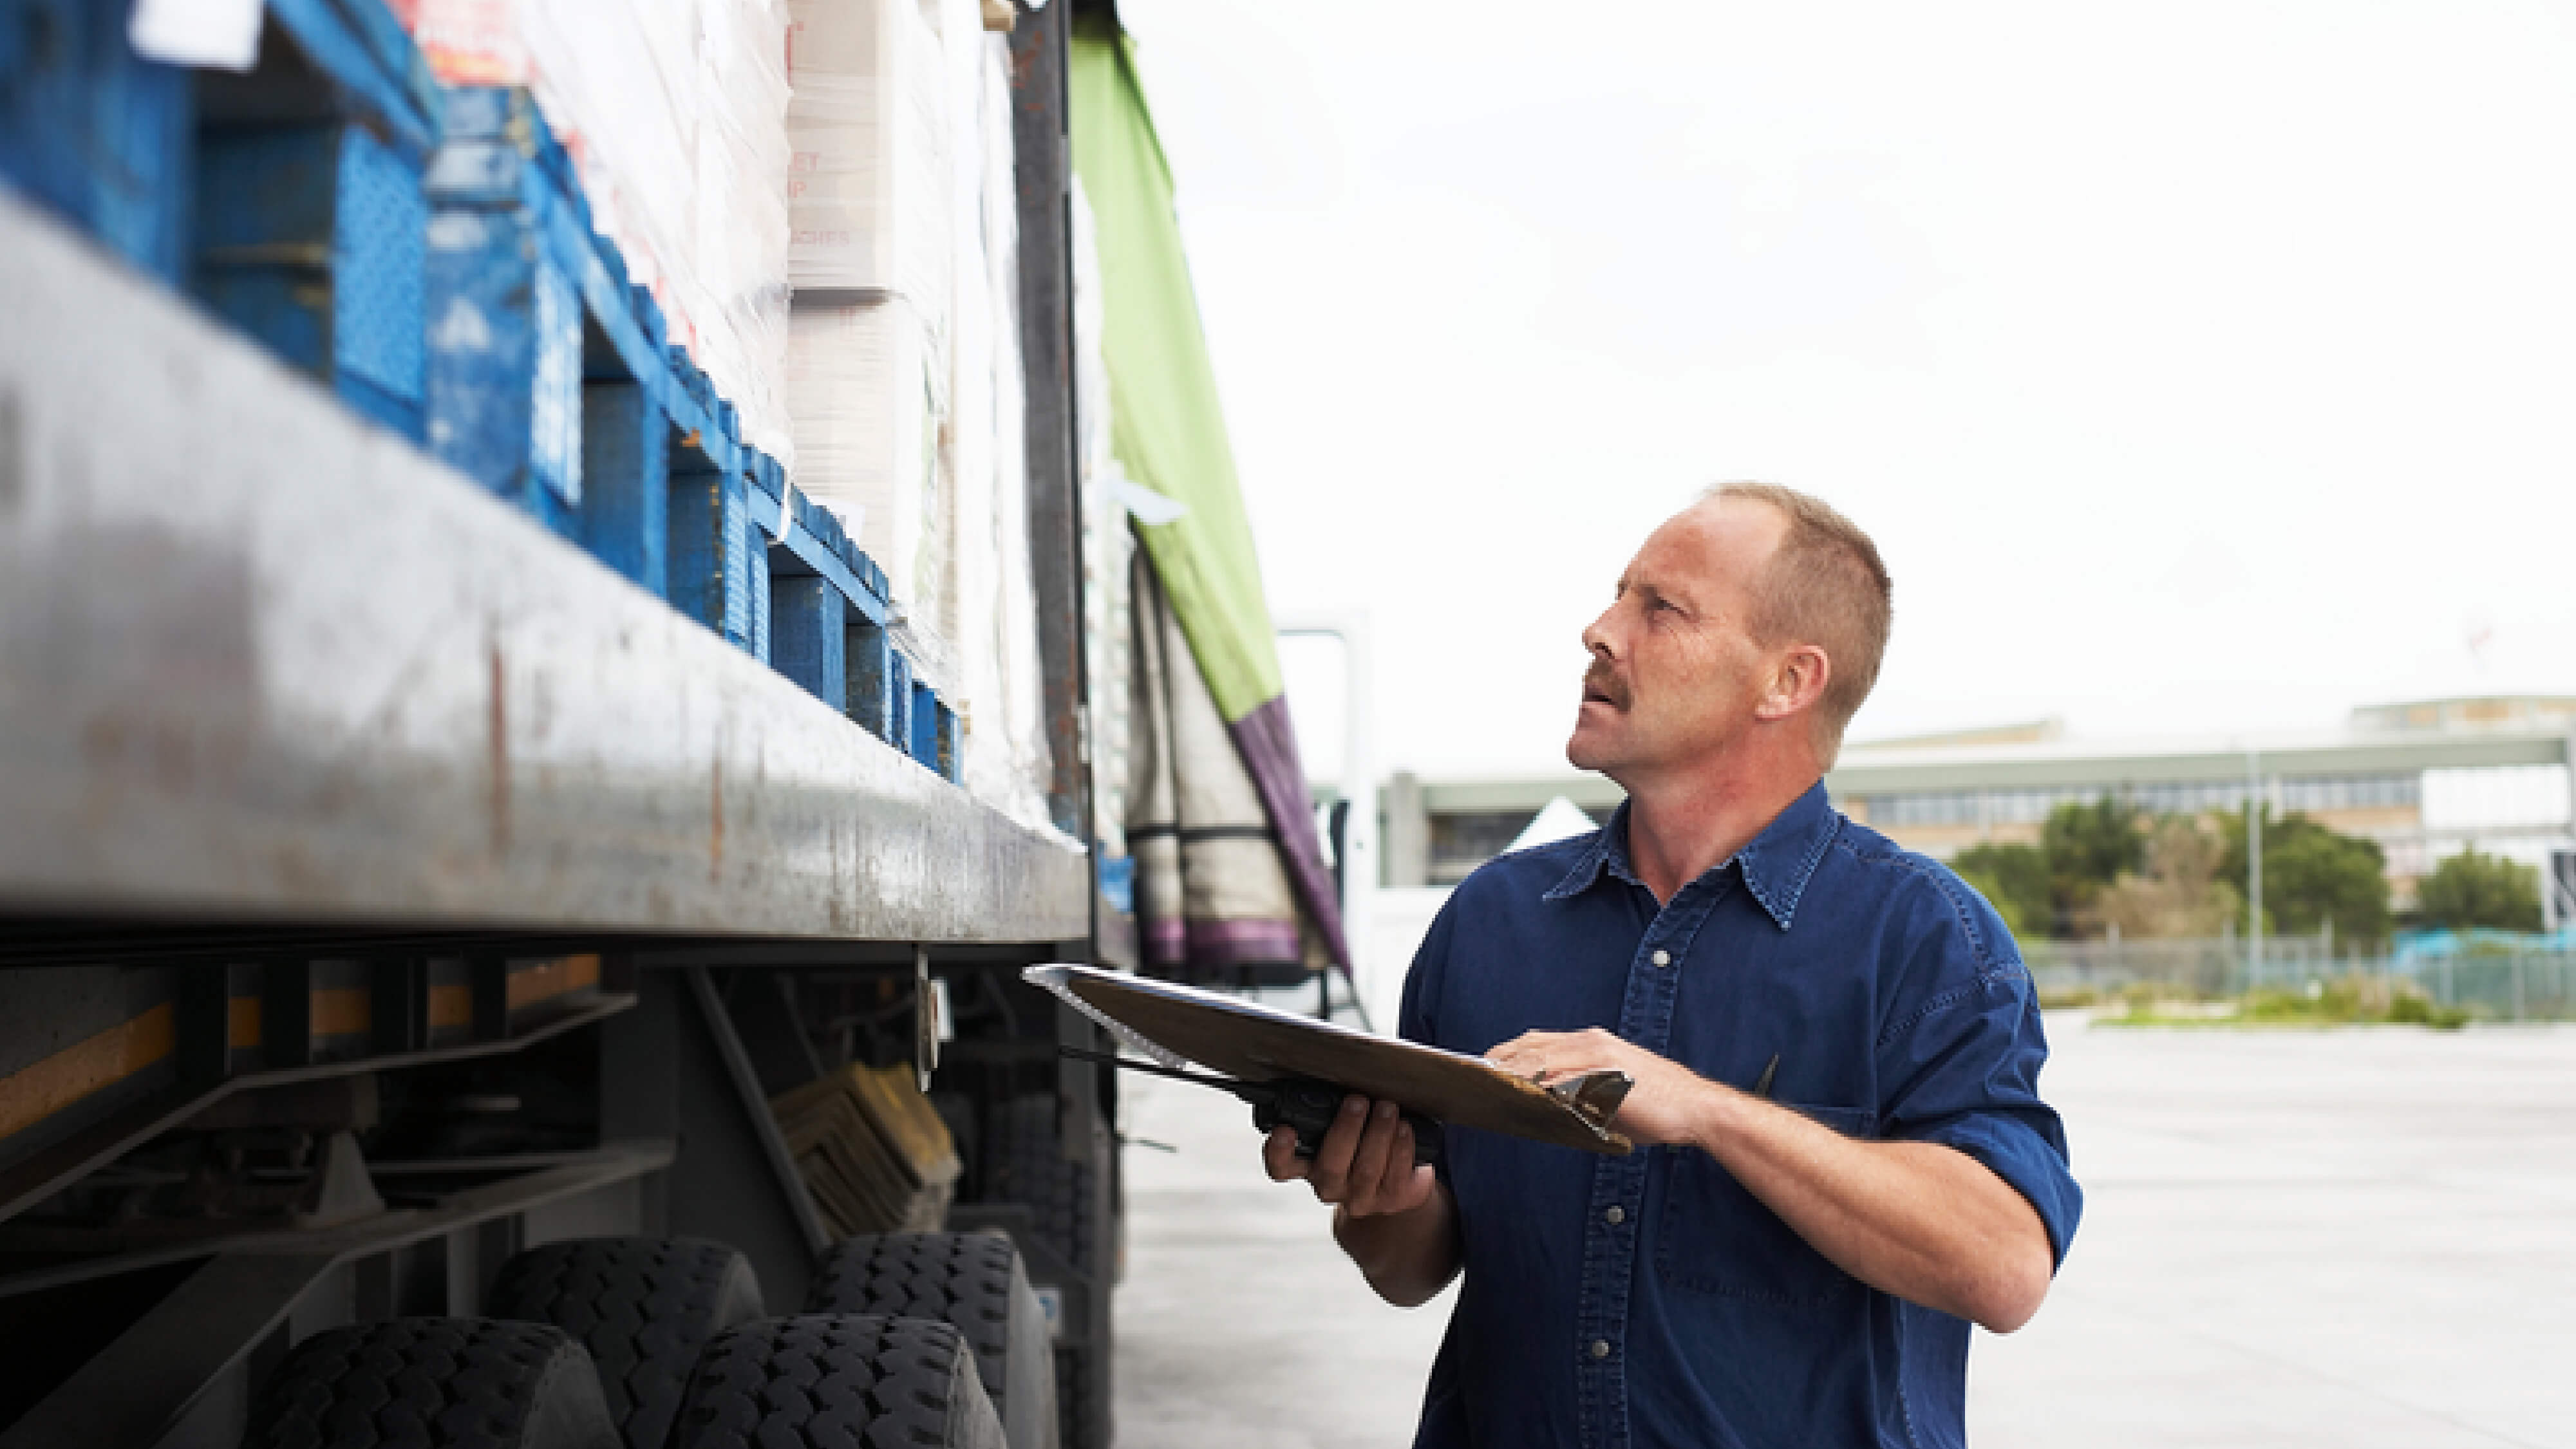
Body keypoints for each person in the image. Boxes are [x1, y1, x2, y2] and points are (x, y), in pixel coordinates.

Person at [1264, 483, 2082, 1448]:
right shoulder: (1492, 920)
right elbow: (1409, 1269)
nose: (1599, 631)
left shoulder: (1924, 936)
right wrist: (1383, 1197)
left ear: (1787, 682)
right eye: (1617, 596)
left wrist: (1704, 1110)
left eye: (1661, 608)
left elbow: (2001, 1265)